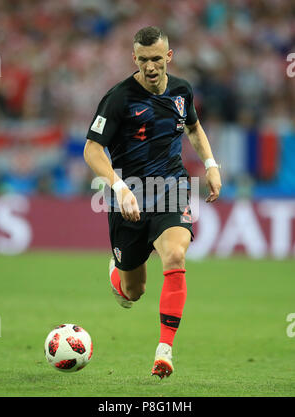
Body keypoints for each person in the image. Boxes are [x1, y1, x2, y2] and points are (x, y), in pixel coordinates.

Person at [84, 26, 222, 379]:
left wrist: (210, 165)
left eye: (157, 59)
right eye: (143, 59)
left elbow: (193, 127)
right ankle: (118, 272)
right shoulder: (118, 99)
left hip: (171, 188)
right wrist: (118, 187)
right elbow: (92, 149)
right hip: (127, 197)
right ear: (134, 59)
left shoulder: (181, 90)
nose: (150, 66)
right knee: (134, 292)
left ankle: (164, 351)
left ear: (169, 57)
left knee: (175, 255)